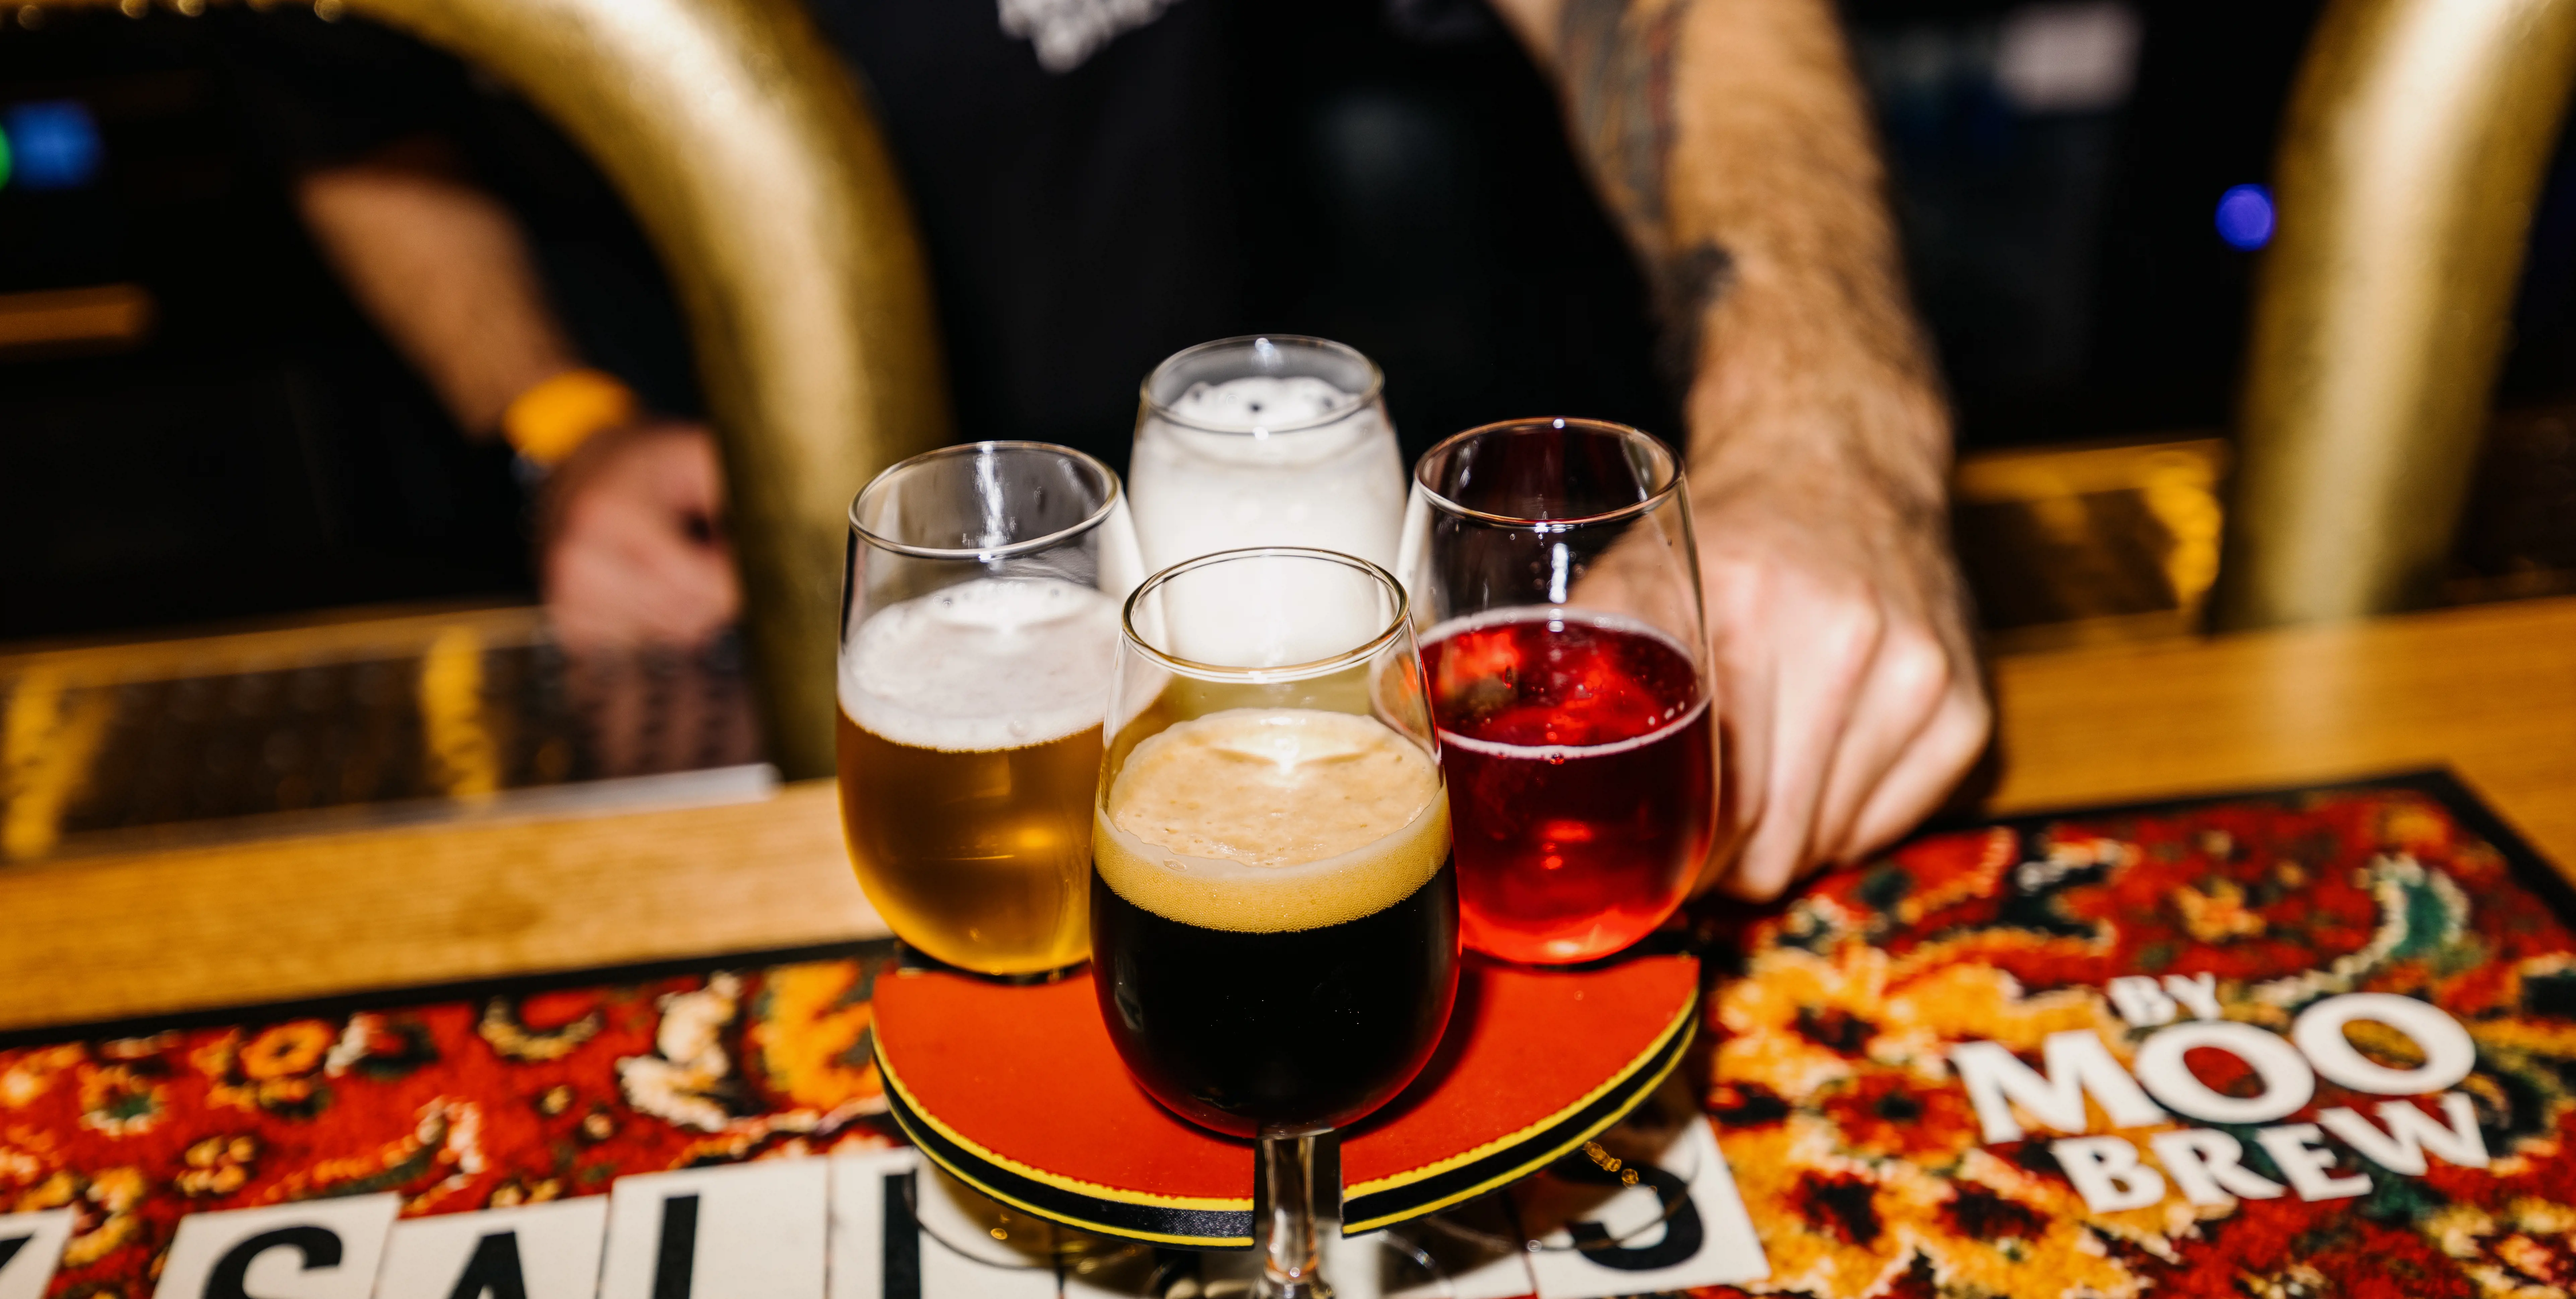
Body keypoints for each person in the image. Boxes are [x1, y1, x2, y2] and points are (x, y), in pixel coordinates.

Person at [267, 0, 1989, 901]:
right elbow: (342, 100)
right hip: (708, 557)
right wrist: (557, 422)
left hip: (1200, 495)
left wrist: (1823, 430)